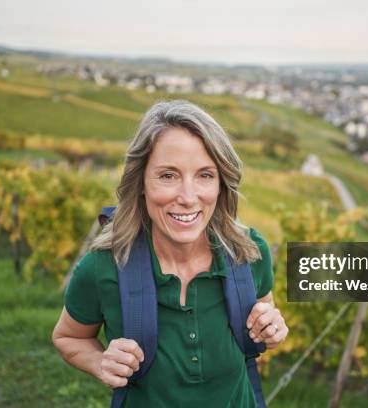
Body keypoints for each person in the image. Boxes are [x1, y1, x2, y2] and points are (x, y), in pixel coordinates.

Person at [51, 100, 288, 407]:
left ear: (221, 184)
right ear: (141, 183)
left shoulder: (248, 253)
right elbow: (68, 337)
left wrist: (272, 328)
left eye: (205, 175)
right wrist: (100, 362)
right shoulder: (104, 267)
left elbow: (264, 315)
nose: (188, 198)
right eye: (168, 175)